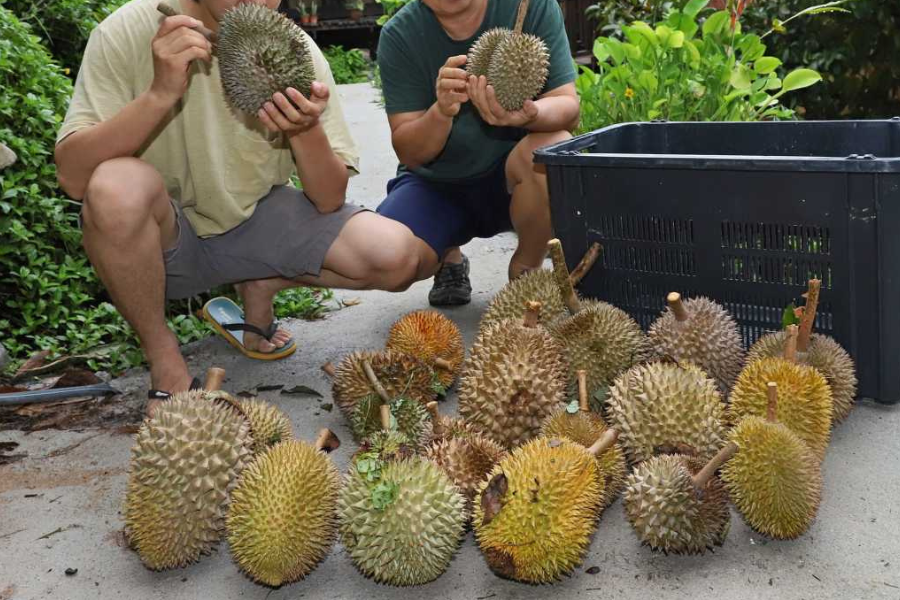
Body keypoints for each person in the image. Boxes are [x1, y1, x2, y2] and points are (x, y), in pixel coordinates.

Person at [54, 0, 425, 415]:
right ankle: (164, 359)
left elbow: (328, 198)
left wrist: (305, 130)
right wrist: (159, 94)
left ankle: (260, 283)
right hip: (163, 242)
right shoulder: (131, 29)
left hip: (257, 221)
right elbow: (73, 176)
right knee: (113, 187)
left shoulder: (294, 49)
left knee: (399, 256)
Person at [374, 0, 580, 306]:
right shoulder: (400, 34)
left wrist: (530, 113)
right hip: (437, 186)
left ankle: (526, 267)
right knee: (385, 259)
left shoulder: (531, 6)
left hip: (512, 179)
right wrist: (441, 111)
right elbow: (410, 152)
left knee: (552, 150)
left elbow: (567, 107)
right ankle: (448, 255)